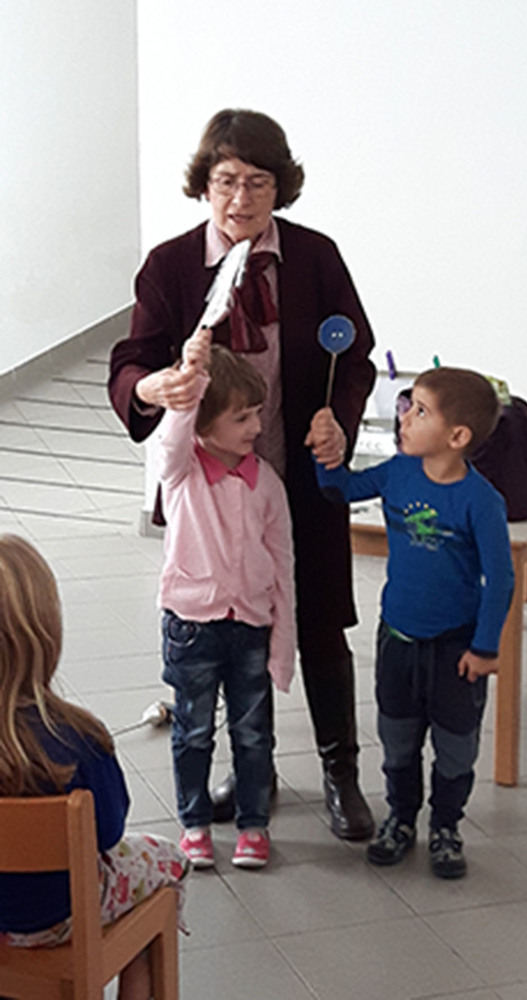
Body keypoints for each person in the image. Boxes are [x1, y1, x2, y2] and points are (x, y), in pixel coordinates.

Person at [108, 108, 376, 841]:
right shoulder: (170, 265)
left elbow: (353, 357)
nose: (241, 198)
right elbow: (130, 362)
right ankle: (252, 772)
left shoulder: (315, 257)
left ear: (280, 187)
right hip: (213, 492)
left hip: (302, 477)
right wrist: (153, 386)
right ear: (204, 185)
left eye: (258, 182)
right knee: (228, 636)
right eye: (226, 180)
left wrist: (338, 420)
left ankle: (340, 773)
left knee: (320, 621)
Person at [310, 367, 514, 878]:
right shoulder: (398, 472)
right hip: (398, 640)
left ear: (457, 436)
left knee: (455, 748)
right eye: (408, 405)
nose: (404, 417)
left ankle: (445, 826)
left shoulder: (481, 501)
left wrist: (485, 648)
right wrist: (325, 452)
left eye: (420, 411)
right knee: (398, 740)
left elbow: (501, 580)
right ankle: (400, 818)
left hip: (456, 650)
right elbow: (341, 489)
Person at [0, 535, 189, 1000]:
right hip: (59, 919)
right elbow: (108, 832)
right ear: (46, 632)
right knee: (169, 862)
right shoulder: (77, 739)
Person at [158, 327, 296, 869]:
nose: (256, 427)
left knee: (254, 735)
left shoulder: (268, 484)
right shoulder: (182, 472)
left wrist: (282, 647)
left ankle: (253, 825)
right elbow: (172, 436)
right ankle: (194, 824)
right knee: (193, 732)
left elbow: (283, 568)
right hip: (191, 625)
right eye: (241, 418)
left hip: (250, 628)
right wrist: (189, 380)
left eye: (257, 414)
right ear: (203, 421)